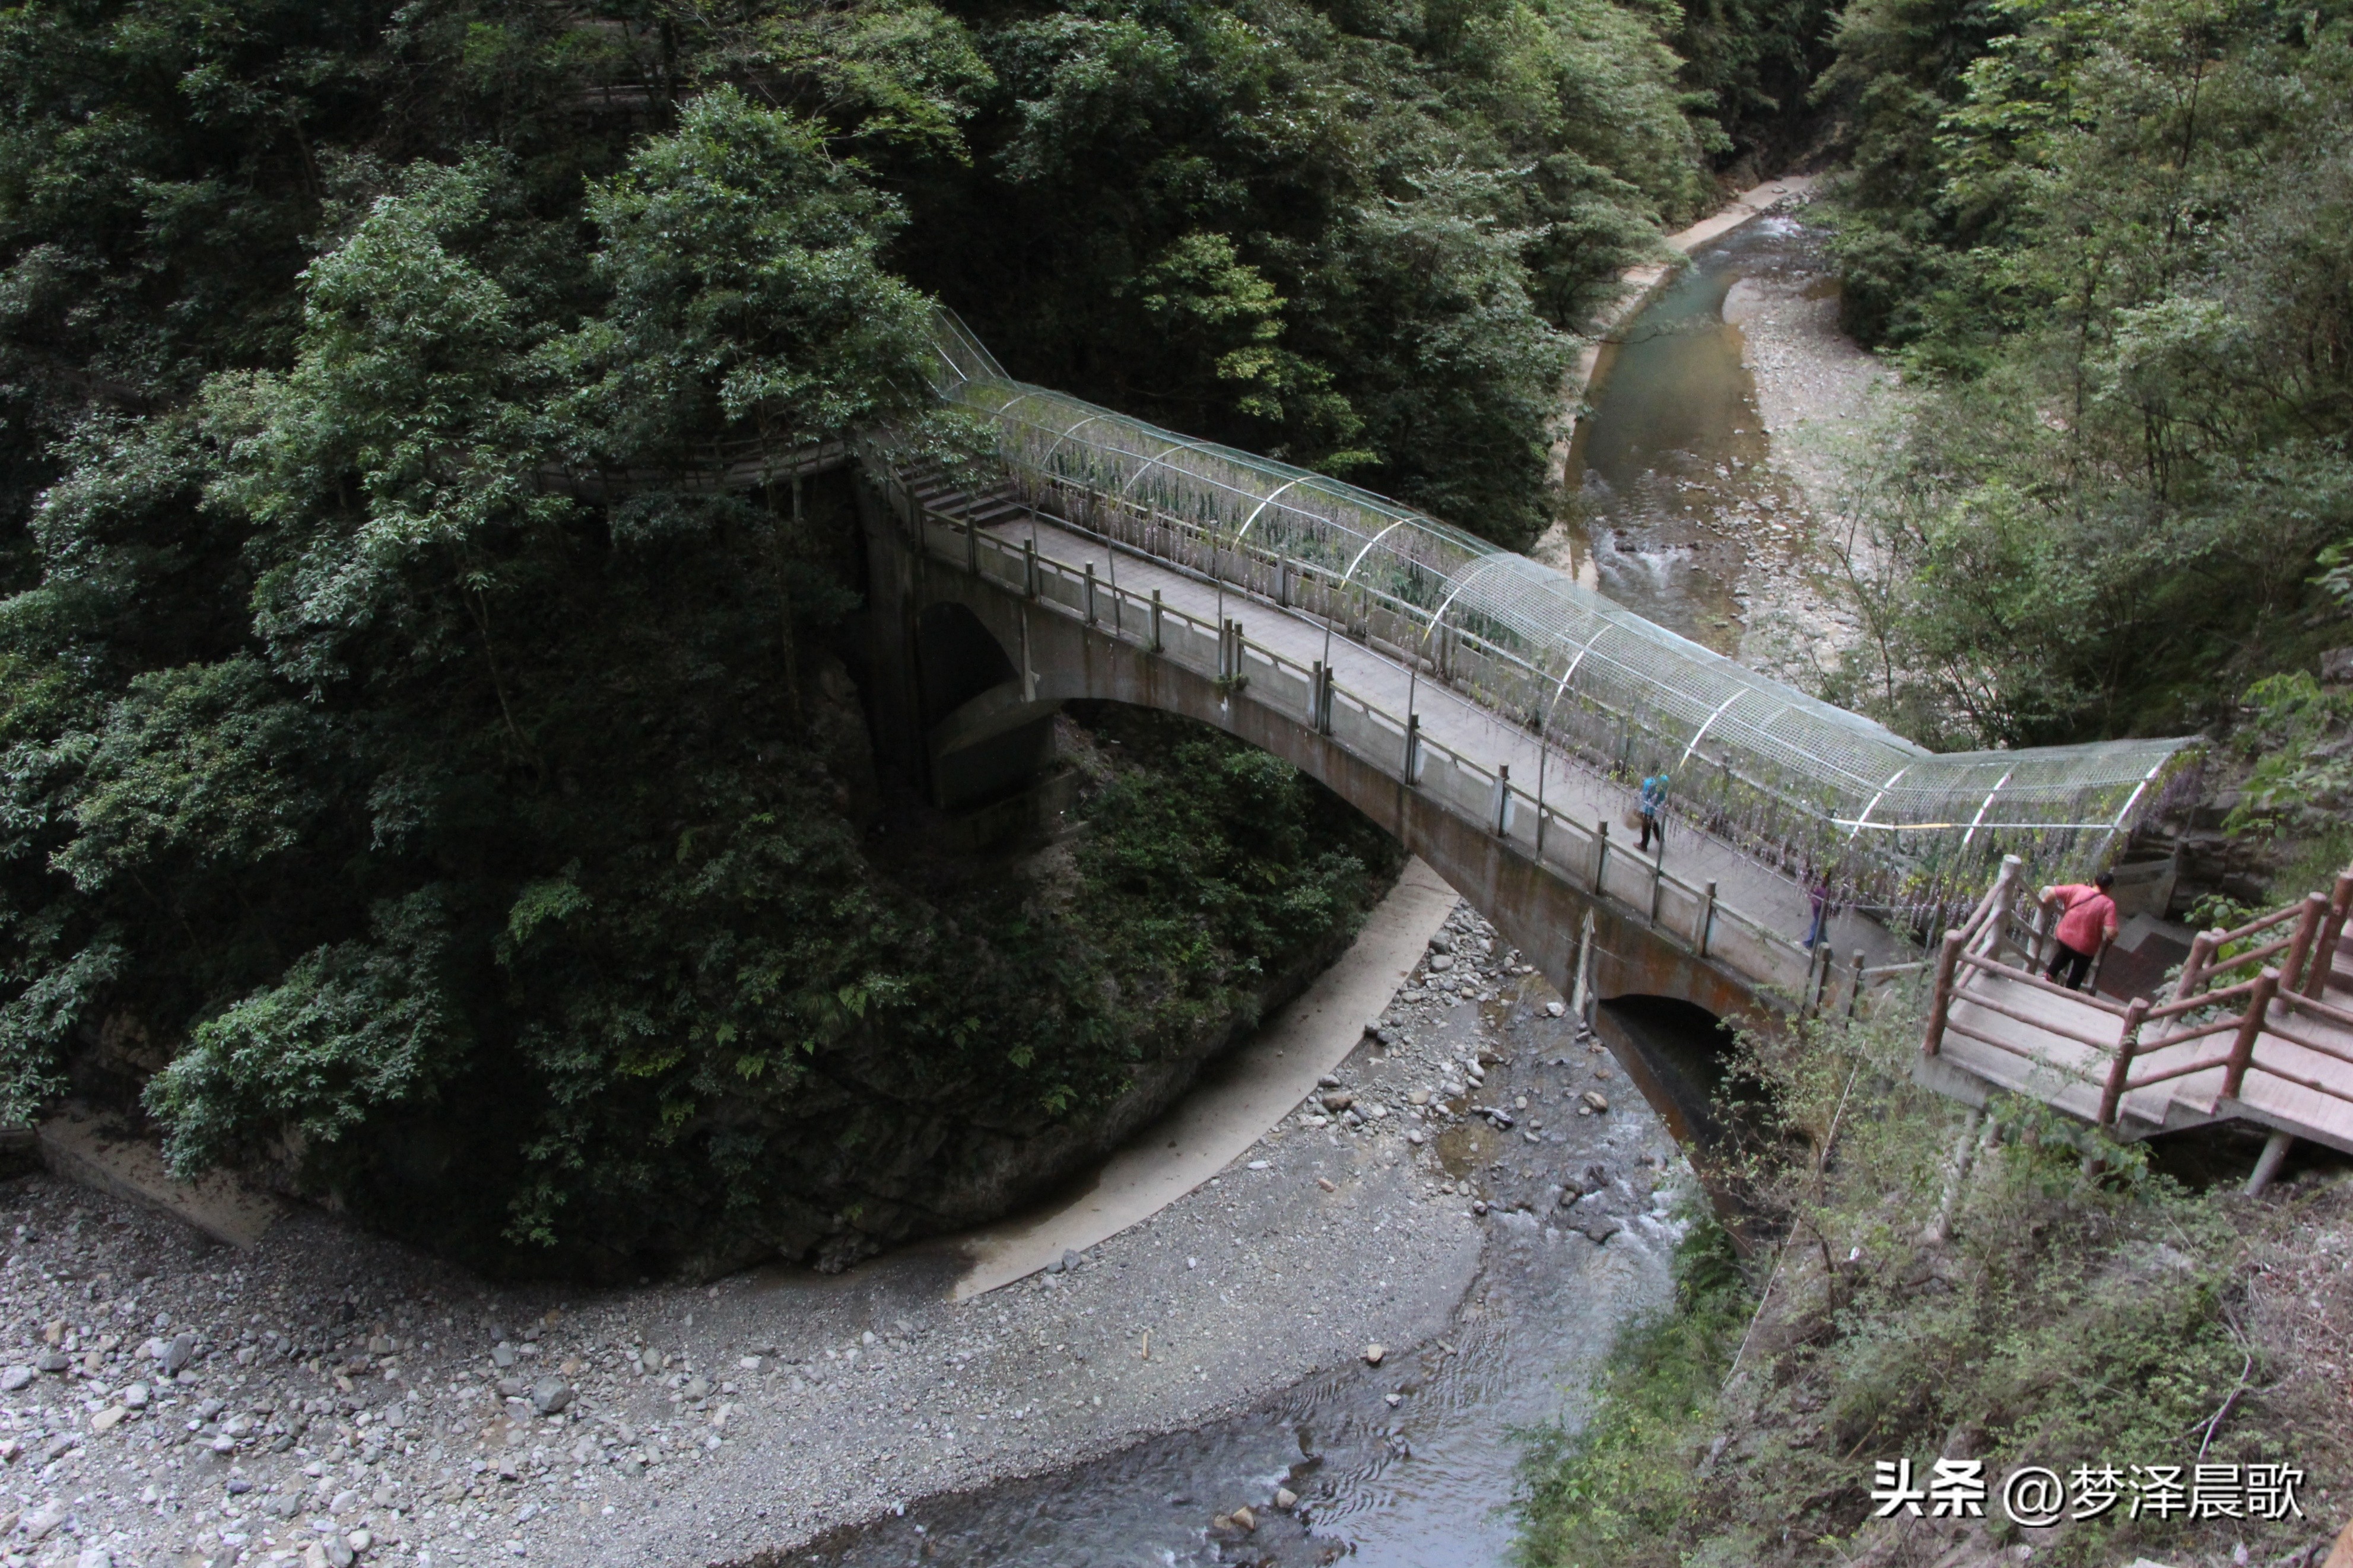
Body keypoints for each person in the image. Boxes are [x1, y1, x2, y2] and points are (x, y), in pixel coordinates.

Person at [2038, 870, 2120, 991]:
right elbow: (2110, 932)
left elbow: (2053, 891)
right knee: (2079, 970)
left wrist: (2045, 902)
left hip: (2064, 936)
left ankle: (2047, 977)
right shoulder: (2108, 905)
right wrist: (2116, 933)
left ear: (2094, 881)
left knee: (2064, 955)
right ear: (2109, 888)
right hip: (2085, 948)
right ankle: (2070, 992)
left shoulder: (2078, 889)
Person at [1638, 772, 1669, 854]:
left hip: (1648, 807)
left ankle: (1643, 845)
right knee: (1654, 823)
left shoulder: (1649, 783)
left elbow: (1645, 794)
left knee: (1646, 826)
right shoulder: (1664, 780)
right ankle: (1660, 839)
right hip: (1657, 806)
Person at [1804, 869, 1834, 950]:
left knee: (1819, 933)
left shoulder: (1824, 891)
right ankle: (1810, 944)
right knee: (1817, 931)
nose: (1821, 878)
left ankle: (1828, 952)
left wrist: (1811, 897)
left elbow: (1819, 903)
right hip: (1819, 915)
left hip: (1820, 915)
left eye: (1823, 877)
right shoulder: (1822, 889)